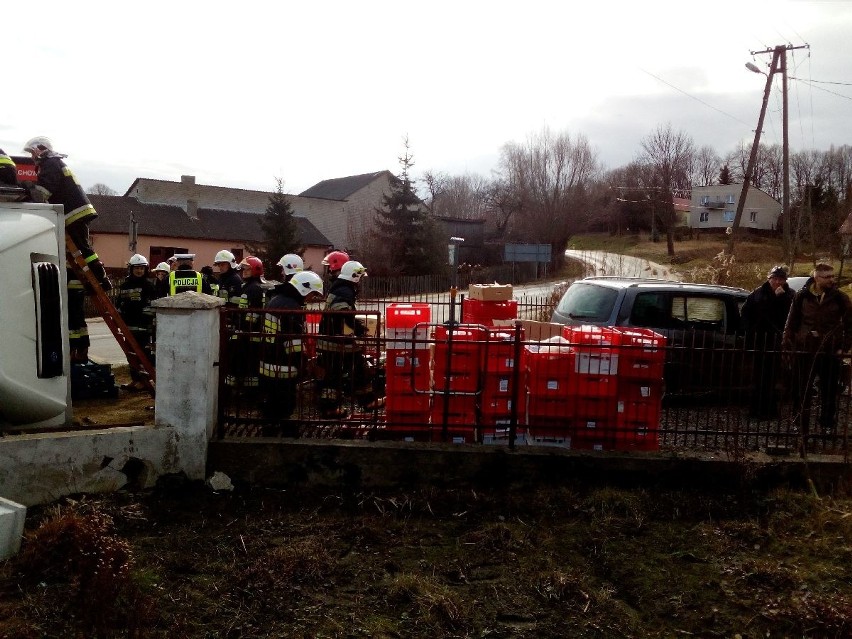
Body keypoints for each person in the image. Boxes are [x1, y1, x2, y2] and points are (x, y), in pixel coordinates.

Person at [21, 136, 111, 291]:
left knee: (83, 248)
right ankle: (93, 281)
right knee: (78, 249)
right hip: (75, 212)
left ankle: (100, 279)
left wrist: (27, 189)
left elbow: (45, 190)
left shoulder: (50, 163)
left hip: (73, 213)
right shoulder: (54, 162)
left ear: (40, 149)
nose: (32, 157)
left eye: (32, 152)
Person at [783, 262, 852, 449]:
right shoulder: (802, 296)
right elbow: (791, 321)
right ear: (816, 277)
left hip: (829, 350)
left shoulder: (840, 298)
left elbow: (850, 325)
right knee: (801, 389)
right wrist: (787, 342)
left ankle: (827, 425)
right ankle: (799, 423)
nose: (831, 280)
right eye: (826, 277)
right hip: (805, 349)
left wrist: (843, 347)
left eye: (832, 276)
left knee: (829, 390)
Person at [259, 270, 324, 434]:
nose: (311, 299)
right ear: (304, 289)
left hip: (267, 360)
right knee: (285, 401)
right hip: (283, 365)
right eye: (312, 294)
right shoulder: (292, 308)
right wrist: (302, 363)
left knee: (271, 400)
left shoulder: (275, 301)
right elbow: (293, 343)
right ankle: (283, 432)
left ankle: (269, 427)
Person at [316, 260, 374, 418]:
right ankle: (366, 402)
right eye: (360, 277)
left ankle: (330, 409)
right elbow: (343, 313)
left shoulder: (340, 288)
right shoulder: (344, 291)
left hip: (332, 340)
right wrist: (359, 328)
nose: (361, 280)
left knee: (334, 376)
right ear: (354, 276)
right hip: (337, 341)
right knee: (358, 369)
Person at [740, 266, 795, 419]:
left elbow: (792, 316)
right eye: (774, 279)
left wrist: (781, 298)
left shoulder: (790, 295)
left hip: (777, 342)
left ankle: (771, 411)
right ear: (769, 278)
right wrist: (750, 331)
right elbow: (745, 313)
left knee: (772, 378)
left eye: (781, 279)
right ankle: (755, 410)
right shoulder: (757, 294)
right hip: (759, 340)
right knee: (757, 377)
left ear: (785, 281)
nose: (777, 282)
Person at [117, 254, 157, 390]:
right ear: (131, 269)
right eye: (136, 268)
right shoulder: (124, 285)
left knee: (143, 355)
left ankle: (144, 381)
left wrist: (146, 322)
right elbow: (119, 304)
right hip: (128, 327)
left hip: (143, 328)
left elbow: (152, 308)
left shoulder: (149, 286)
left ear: (146, 269)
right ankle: (134, 379)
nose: (139, 271)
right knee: (130, 356)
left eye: (142, 268)